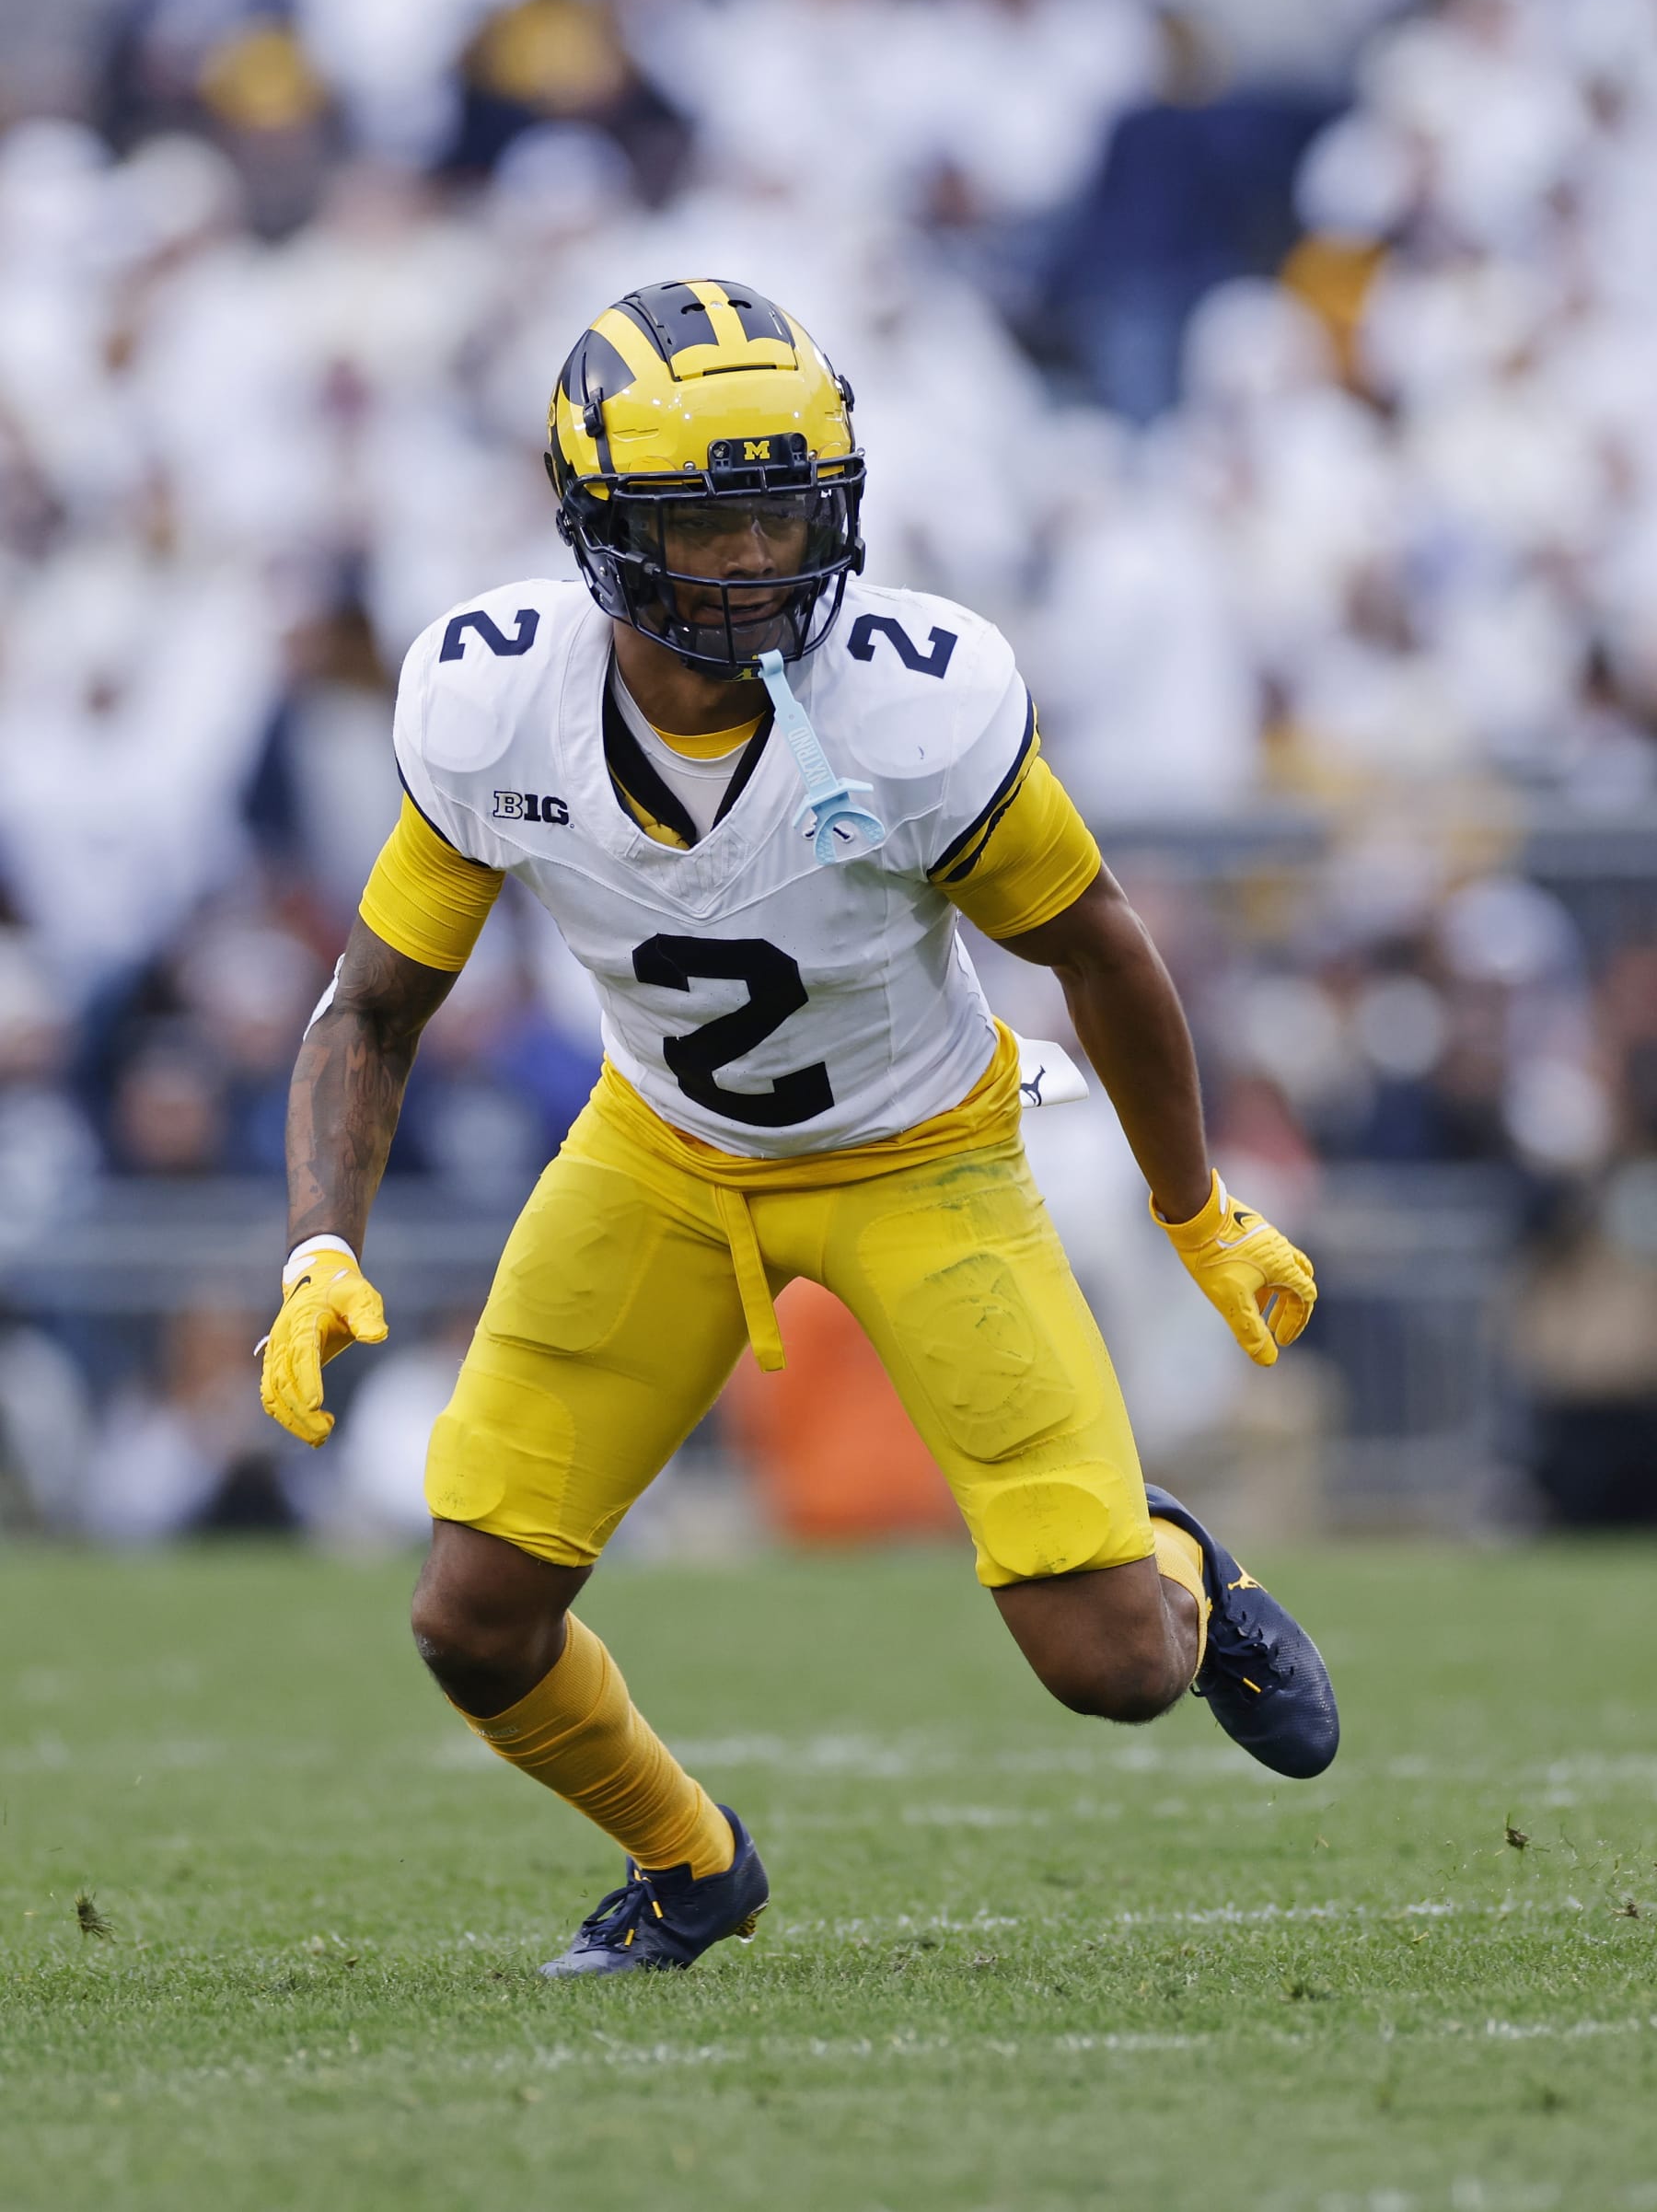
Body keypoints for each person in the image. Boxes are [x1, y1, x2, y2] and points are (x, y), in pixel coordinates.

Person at [258, 277, 1336, 1978]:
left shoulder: (914, 701)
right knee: (470, 1621)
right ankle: (689, 1867)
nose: (760, 560)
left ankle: (1178, 1551)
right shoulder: (492, 703)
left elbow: (1098, 944)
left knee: (1115, 1665)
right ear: (599, 529)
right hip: (663, 1157)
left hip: (927, 1154)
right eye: (710, 521)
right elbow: (370, 1008)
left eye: (785, 510)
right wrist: (320, 1246)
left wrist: (1193, 1208)